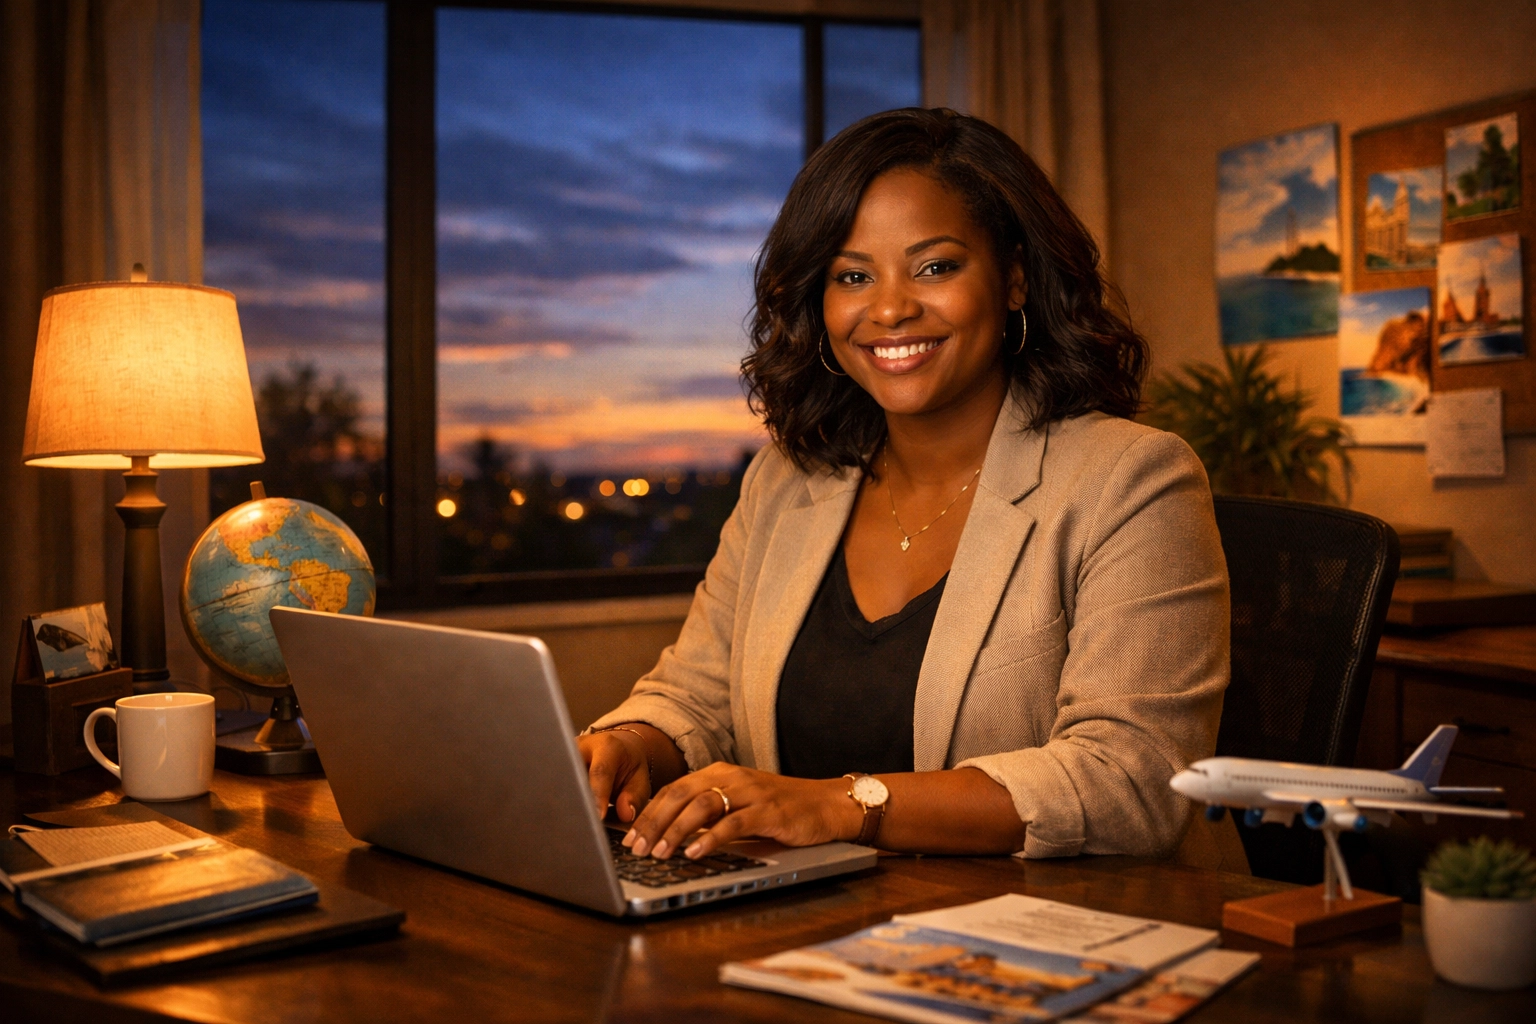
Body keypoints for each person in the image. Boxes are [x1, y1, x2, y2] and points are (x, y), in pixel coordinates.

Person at [580, 108, 1236, 868]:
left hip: (1042, 940)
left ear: (1015, 277)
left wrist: (841, 805)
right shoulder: (786, 481)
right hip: (804, 928)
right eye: (852, 276)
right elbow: (698, 695)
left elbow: (1132, 780)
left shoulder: (1131, 480)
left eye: (935, 267)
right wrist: (628, 743)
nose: (890, 309)